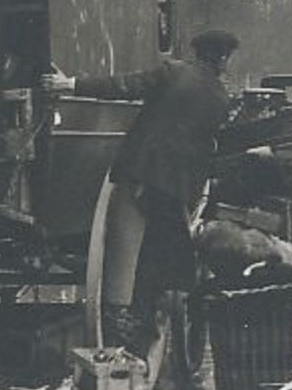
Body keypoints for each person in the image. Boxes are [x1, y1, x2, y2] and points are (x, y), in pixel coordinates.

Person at [41, 29, 238, 363]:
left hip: (139, 175)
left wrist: (70, 85)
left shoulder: (174, 72)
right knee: (157, 260)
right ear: (223, 59)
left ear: (197, 51)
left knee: (123, 249)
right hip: (177, 190)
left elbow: (124, 86)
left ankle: (117, 319)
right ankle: (142, 339)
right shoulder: (221, 98)